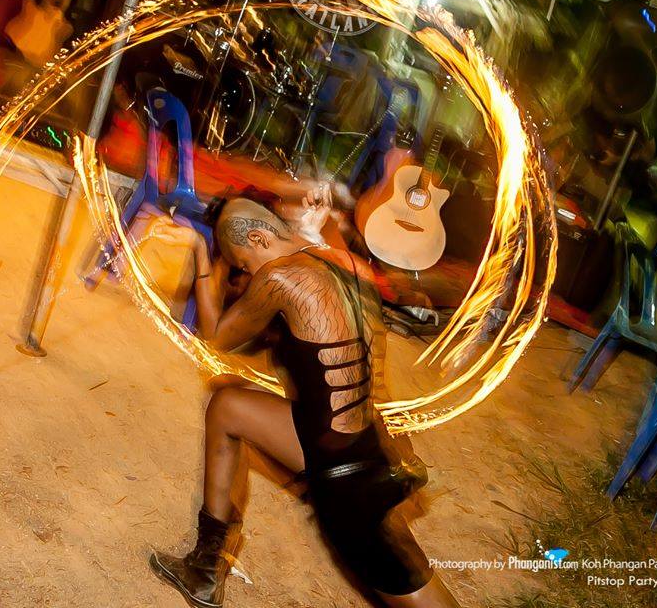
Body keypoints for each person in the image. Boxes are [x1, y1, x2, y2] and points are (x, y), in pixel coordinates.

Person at [149, 195, 461, 607]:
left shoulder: (280, 277)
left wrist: (202, 255)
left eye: (243, 264)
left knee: (415, 590)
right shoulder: (349, 263)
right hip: (363, 446)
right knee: (228, 405)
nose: (246, 276)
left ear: (260, 239)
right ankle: (204, 570)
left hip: (345, 484)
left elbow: (217, 337)